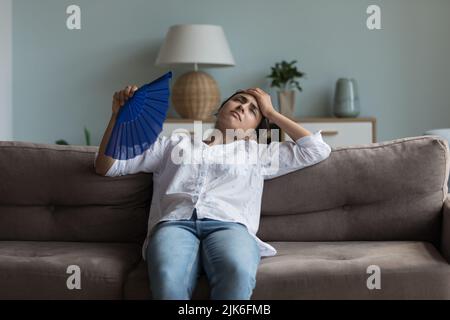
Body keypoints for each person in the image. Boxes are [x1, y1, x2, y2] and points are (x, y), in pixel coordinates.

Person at [94, 85, 332, 300]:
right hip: (175, 223)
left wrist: (271, 112)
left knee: (237, 271)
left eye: (253, 110)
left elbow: (316, 150)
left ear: (253, 130)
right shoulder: (174, 144)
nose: (242, 107)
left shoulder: (259, 154)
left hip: (230, 226)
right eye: (238, 100)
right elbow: (108, 166)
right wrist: (117, 116)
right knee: (167, 275)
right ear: (221, 108)